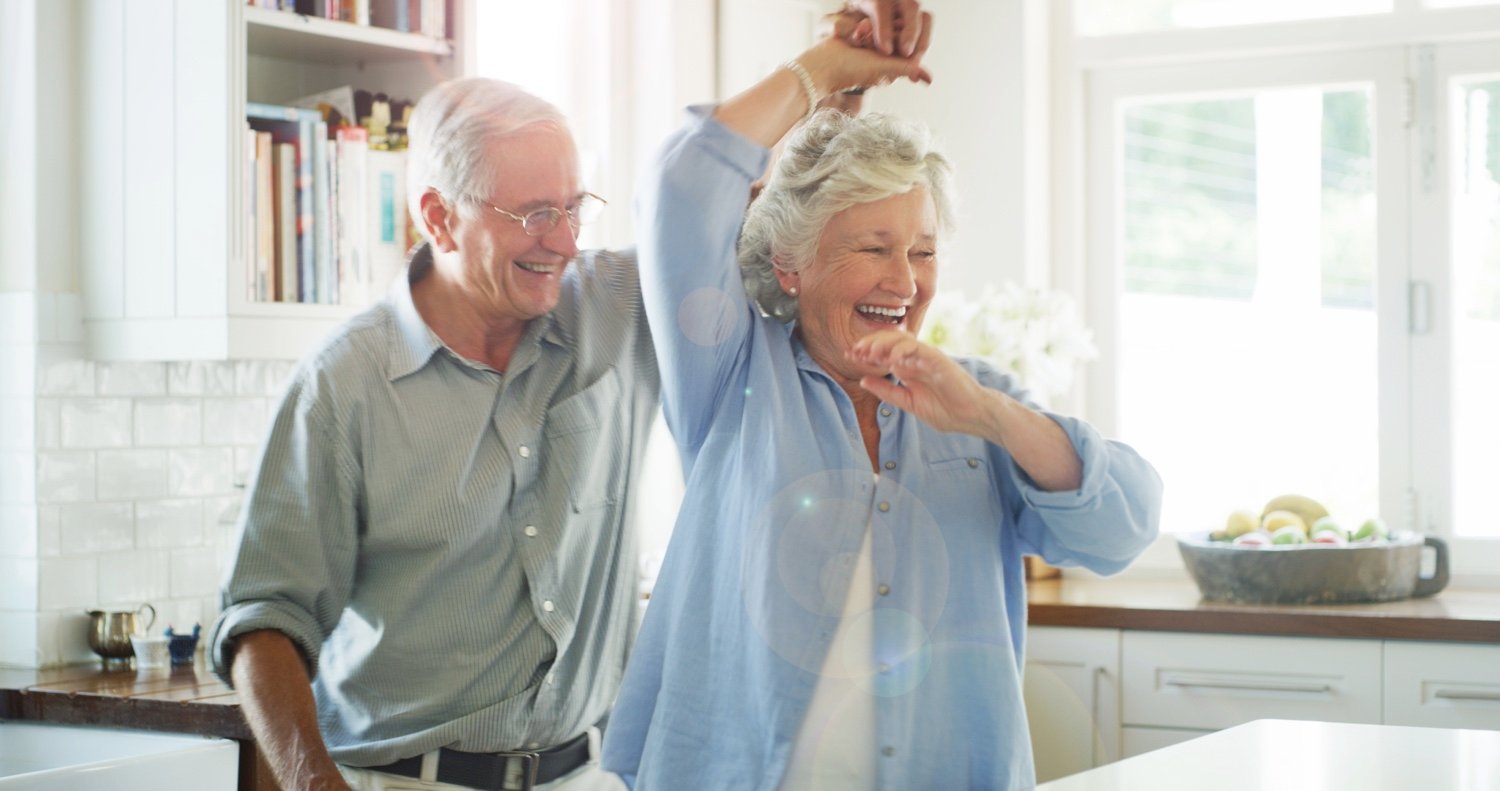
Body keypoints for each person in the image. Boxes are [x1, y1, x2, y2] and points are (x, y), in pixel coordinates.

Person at [600, 30, 1164, 791]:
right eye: (874, 247)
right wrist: (826, 65)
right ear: (792, 265)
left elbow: (1124, 524)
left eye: (924, 251)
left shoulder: (977, 400)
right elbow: (682, 187)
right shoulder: (733, 372)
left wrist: (993, 417)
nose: (905, 280)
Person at [210, 78, 656, 791]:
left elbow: (727, 207)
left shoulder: (618, 307)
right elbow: (265, 617)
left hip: (589, 774)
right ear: (439, 218)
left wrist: (829, 74)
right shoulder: (343, 384)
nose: (568, 241)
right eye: (538, 214)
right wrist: (310, 781)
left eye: (574, 208)